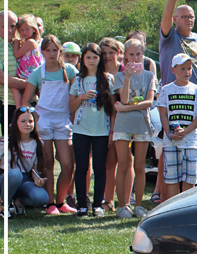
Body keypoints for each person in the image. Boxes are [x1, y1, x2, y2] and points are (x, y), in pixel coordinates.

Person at [22, 35, 79, 215]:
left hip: (63, 120)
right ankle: (50, 203)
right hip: (44, 120)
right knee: (47, 163)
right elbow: (25, 101)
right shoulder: (38, 73)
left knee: (68, 164)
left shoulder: (70, 70)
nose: (52, 53)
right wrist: (34, 117)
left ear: (60, 51)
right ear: (42, 52)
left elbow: (76, 95)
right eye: (48, 50)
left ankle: (61, 201)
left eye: (55, 50)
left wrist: (73, 116)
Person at [113, 38, 157, 218]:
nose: (135, 58)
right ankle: (123, 205)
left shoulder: (149, 76)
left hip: (142, 125)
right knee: (123, 165)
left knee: (140, 166)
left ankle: (138, 205)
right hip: (123, 125)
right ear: (125, 55)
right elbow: (122, 99)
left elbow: (149, 101)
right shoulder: (119, 76)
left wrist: (126, 108)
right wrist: (128, 77)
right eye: (131, 54)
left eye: (138, 54)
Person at [69, 42, 113, 217]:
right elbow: (70, 106)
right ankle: (81, 204)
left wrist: (112, 131)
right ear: (83, 60)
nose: (92, 60)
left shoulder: (108, 78)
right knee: (81, 167)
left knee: (99, 168)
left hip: (102, 130)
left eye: (95, 57)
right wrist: (81, 97)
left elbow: (112, 106)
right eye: (88, 57)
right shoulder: (78, 80)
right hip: (81, 130)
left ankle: (97, 205)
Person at [156, 53, 197, 201]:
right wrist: (170, 133)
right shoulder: (166, 90)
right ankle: (173, 209)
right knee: (172, 178)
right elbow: (163, 114)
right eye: (183, 68)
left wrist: (186, 131)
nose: (187, 72)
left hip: (191, 141)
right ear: (173, 70)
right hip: (171, 141)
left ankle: (185, 207)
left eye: (189, 68)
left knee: (190, 178)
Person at [1, 107, 49, 215]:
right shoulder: (6, 141)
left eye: (30, 121)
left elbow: (34, 169)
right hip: (6, 178)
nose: (27, 124)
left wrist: (37, 179)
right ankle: (4, 206)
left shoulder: (38, 143)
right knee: (15, 174)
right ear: (15, 123)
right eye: (23, 121)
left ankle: (19, 202)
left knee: (42, 198)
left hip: (24, 179)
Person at [99, 37, 124, 212]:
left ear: (118, 53)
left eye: (111, 52)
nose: (107, 56)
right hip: (101, 120)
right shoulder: (98, 70)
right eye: (104, 53)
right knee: (107, 162)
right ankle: (107, 199)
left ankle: (123, 198)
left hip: (123, 120)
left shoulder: (123, 71)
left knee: (123, 161)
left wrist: (114, 129)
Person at [1, 11, 28, 123]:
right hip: (8, 103)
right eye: (4, 26)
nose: (9, 30)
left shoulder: (20, 44)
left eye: (12, 26)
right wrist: (31, 86)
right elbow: (2, 78)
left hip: (27, 100)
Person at [13, 14, 43, 85]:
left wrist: (16, 42)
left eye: (27, 29)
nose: (24, 32)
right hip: (29, 75)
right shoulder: (27, 42)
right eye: (21, 30)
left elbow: (17, 55)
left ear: (34, 29)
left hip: (29, 75)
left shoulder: (30, 42)